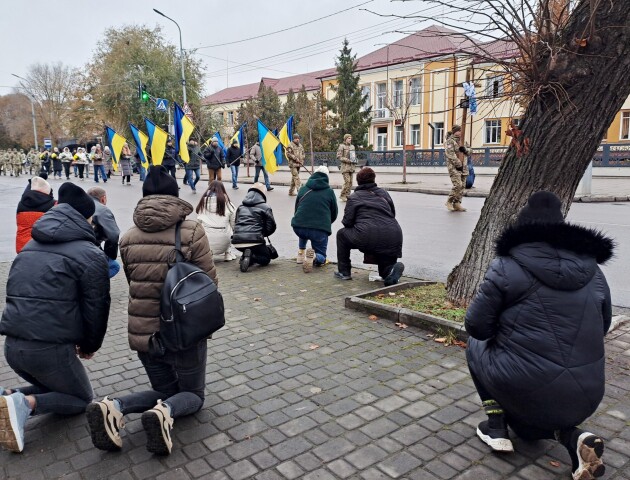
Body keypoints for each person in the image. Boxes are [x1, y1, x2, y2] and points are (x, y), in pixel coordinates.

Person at [465, 191, 613, 480]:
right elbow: (603, 325)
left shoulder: (506, 266)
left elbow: (477, 327)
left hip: (524, 383)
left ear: (523, 229)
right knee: (535, 420)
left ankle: (495, 425)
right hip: (587, 393)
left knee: (474, 345)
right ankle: (574, 440)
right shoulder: (593, 271)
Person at [86, 165, 217, 456]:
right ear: (174, 195)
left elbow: (135, 280)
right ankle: (165, 413)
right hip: (184, 331)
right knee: (192, 396)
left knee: (165, 388)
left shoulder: (128, 237)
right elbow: (209, 282)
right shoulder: (192, 230)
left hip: (144, 333)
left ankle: (115, 406)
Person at [0, 182, 110, 453]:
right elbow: (96, 308)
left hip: (13, 347)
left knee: (51, 386)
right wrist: (89, 346)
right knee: (81, 398)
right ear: (86, 218)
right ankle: (25, 405)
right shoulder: (90, 254)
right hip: (48, 351)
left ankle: (7, 398)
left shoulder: (29, 247)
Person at [334, 167, 404, 285]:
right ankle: (391, 271)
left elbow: (347, 222)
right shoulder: (384, 193)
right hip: (394, 235)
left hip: (367, 235)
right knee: (385, 271)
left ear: (358, 181)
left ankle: (344, 272)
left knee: (341, 235)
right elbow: (392, 214)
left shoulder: (354, 197)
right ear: (373, 179)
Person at [291, 166, 338, 273]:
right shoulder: (329, 192)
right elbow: (334, 212)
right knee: (322, 256)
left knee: (304, 228)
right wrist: (325, 224)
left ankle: (300, 254)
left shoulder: (303, 188)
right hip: (318, 230)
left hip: (298, 227)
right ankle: (315, 258)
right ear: (327, 177)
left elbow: (297, 209)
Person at [232, 183, 277, 273]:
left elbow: (236, 223)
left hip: (237, 242)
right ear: (262, 194)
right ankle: (252, 257)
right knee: (265, 258)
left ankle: (246, 255)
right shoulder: (265, 207)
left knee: (250, 248)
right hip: (255, 241)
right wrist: (262, 234)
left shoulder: (240, 207)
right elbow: (271, 226)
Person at [196, 180, 237, 261]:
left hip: (208, 242)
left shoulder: (202, 203)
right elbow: (234, 223)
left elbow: (199, 223)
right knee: (228, 227)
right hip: (225, 241)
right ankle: (227, 253)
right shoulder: (228, 204)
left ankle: (209, 252)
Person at [15, 176, 56, 253]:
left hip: (22, 246)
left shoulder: (22, 204)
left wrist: (31, 182)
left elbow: (26, 193)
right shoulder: (53, 204)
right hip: (42, 247)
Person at [87, 187, 121, 278]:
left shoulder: (80, 204)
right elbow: (113, 235)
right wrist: (109, 256)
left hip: (77, 246)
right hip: (89, 248)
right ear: (103, 198)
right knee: (114, 266)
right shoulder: (102, 209)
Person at [444, 124, 471, 212]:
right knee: (458, 185)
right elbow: (450, 154)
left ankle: (457, 203)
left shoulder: (463, 141)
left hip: (464, 167)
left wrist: (465, 150)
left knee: (462, 186)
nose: (460, 132)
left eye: (461, 131)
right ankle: (449, 201)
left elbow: (470, 151)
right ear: (455, 132)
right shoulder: (450, 141)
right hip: (454, 167)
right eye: (459, 131)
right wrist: (459, 164)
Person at [337, 133, 357, 202]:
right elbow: (339, 156)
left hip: (351, 167)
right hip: (345, 167)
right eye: (348, 138)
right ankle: (342, 195)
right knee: (347, 182)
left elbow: (353, 156)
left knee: (351, 182)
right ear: (345, 139)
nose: (350, 139)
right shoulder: (341, 146)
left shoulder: (352, 147)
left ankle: (348, 195)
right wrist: (347, 160)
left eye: (350, 138)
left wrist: (355, 160)